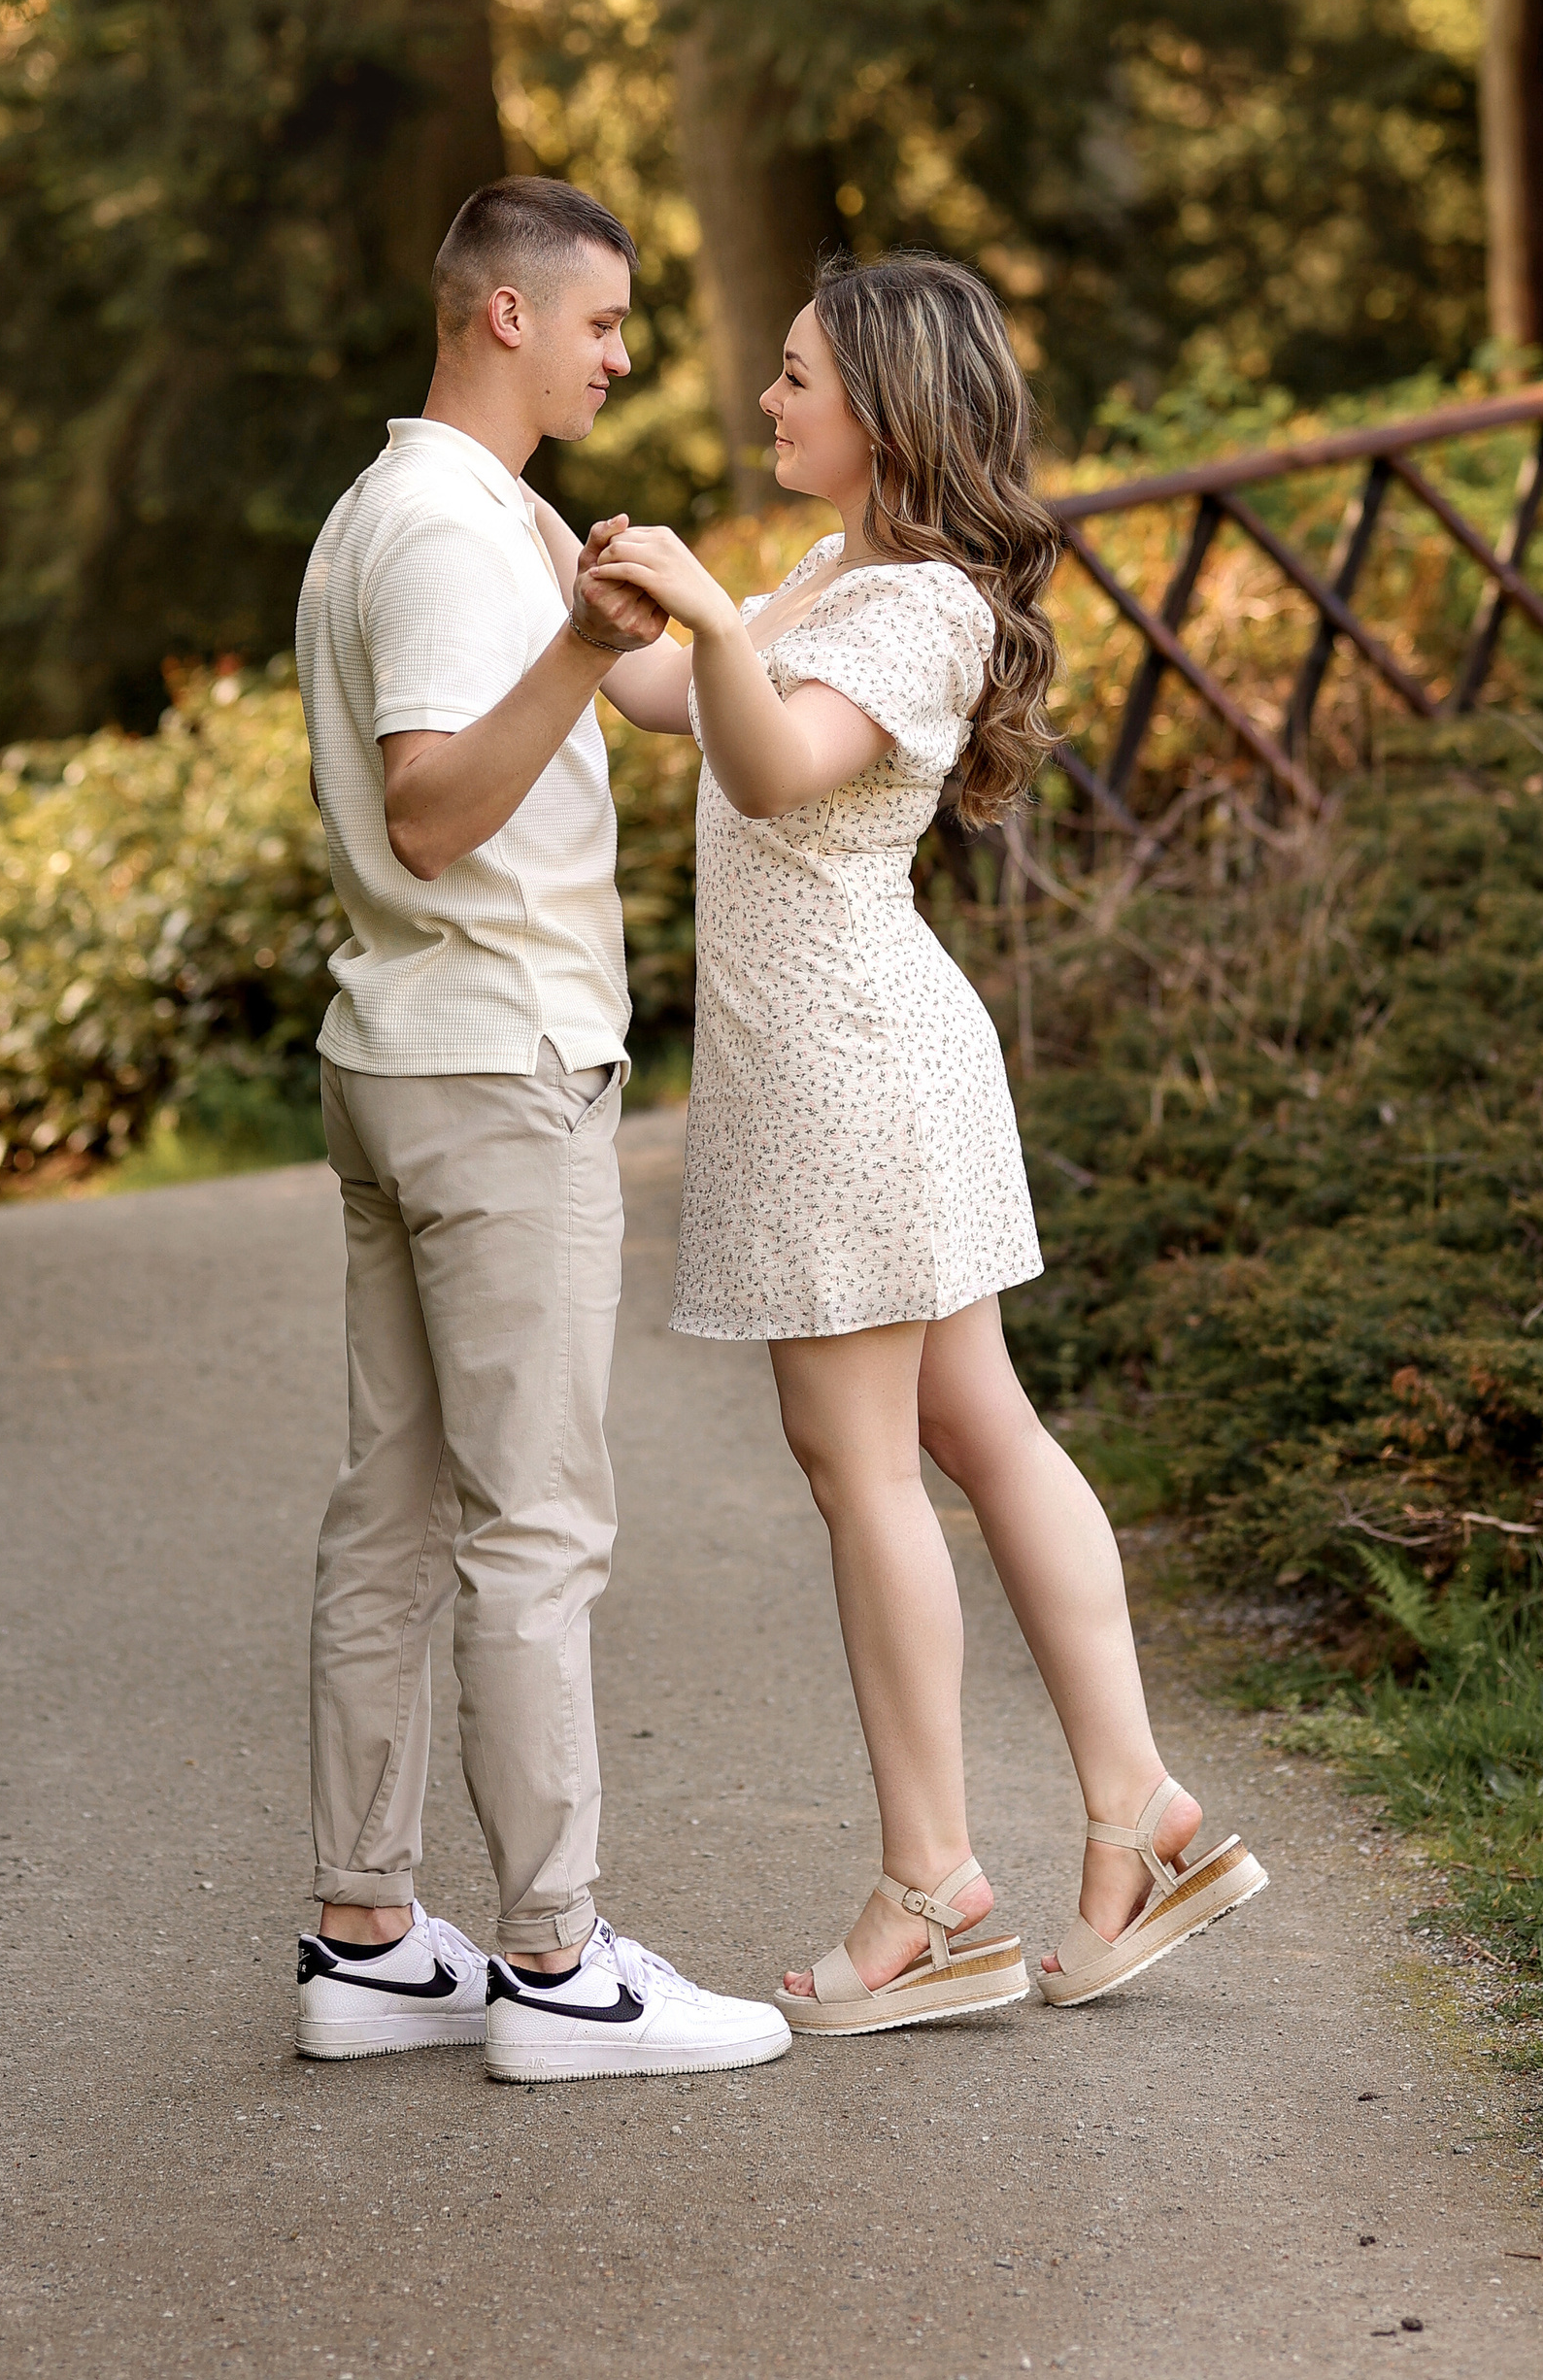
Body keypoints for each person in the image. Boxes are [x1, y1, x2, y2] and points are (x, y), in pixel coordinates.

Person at [587, 250, 1265, 2034]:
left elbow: (773, 764)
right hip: (862, 1062)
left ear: (884, 411)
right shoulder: (836, 576)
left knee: (862, 1460)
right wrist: (572, 574)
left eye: (795, 374)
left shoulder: (923, 607)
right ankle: (1140, 1814)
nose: (766, 398)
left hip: (850, 1074)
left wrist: (709, 622)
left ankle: (934, 1888)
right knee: (974, 1425)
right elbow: (663, 699)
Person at [290, 176, 792, 2085]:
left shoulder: (464, 509)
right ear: (503, 314)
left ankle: (365, 1944)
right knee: (537, 1526)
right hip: (493, 1073)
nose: (622, 356)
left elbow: (664, 688)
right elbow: (431, 811)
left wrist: (804, 595)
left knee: (400, 1509)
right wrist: (580, 649)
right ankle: (558, 1965)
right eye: (601, 322)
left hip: (410, 1055)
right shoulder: (441, 530)